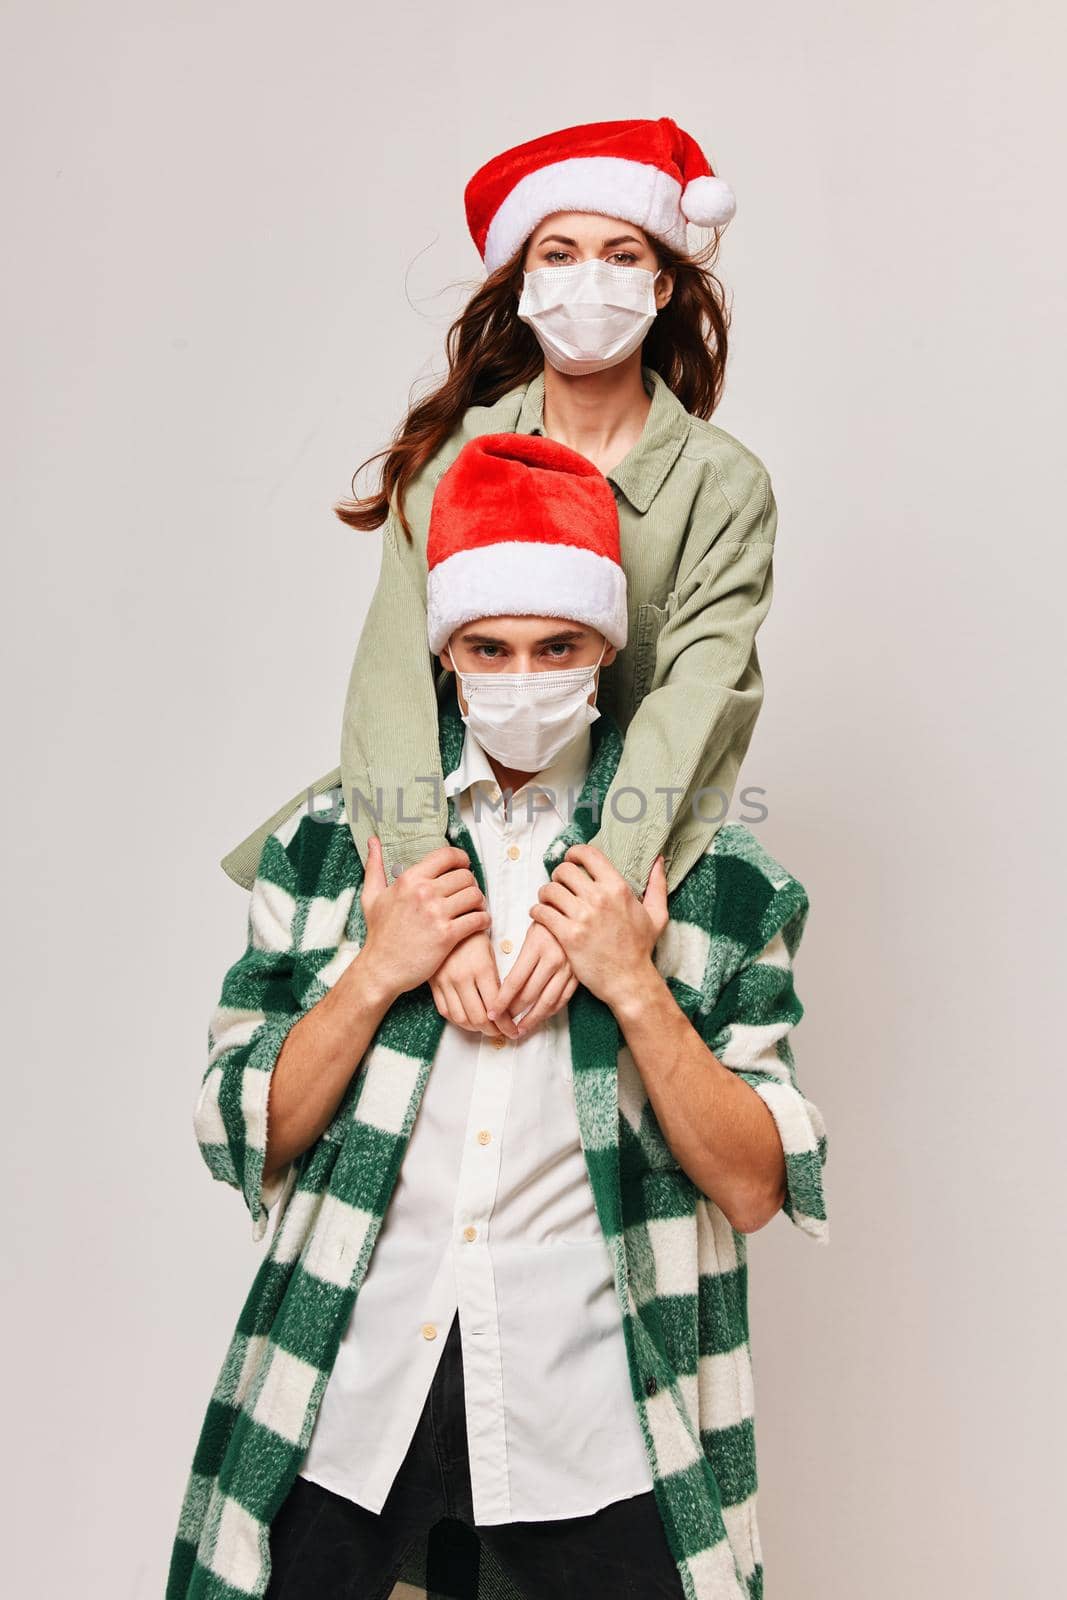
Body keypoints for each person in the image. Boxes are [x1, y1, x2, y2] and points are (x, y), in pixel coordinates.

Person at [167, 434, 829, 1600]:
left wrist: (633, 983)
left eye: (556, 645)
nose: (521, 675)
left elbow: (754, 1184)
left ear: (606, 647)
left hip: (595, 1420)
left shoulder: (713, 876)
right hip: (345, 1387)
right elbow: (240, 1133)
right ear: (444, 653)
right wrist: (377, 970)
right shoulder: (332, 848)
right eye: (488, 646)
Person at [218, 115, 781, 1046]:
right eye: (557, 254)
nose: (586, 279)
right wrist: (421, 890)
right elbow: (391, 678)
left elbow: (700, 698)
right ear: (522, 284)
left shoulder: (724, 487)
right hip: (442, 821)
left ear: (663, 279)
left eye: (618, 252)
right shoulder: (452, 459)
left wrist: (597, 899)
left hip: (626, 839)